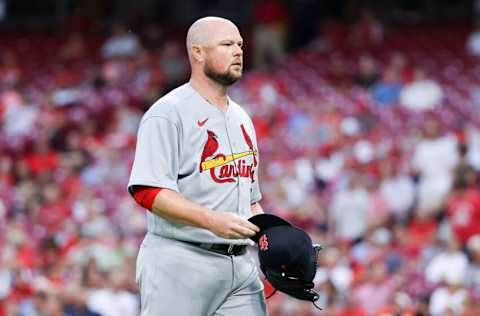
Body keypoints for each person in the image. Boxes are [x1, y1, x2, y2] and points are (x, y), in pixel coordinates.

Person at [127, 16, 266, 315]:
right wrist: (210, 220)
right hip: (180, 261)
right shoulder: (167, 113)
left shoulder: (242, 118)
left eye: (240, 44)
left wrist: (273, 238)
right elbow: (147, 192)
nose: (238, 51)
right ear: (197, 52)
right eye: (227, 44)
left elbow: (251, 200)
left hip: (241, 267)